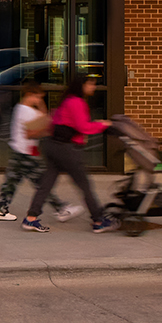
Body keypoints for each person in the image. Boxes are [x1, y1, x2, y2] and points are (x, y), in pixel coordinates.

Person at [23, 73, 116, 233]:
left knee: (46, 183)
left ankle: (31, 218)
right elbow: (83, 127)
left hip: (52, 146)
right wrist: (103, 125)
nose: (93, 87)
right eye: (90, 84)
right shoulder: (76, 102)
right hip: (65, 149)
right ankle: (98, 220)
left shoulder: (66, 100)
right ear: (82, 85)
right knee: (84, 185)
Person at [0, 83, 79, 223]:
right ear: (29, 95)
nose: (39, 100)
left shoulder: (20, 108)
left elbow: (42, 120)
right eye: (37, 97)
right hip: (26, 153)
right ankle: (60, 208)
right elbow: (40, 125)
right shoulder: (28, 111)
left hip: (18, 151)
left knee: (11, 182)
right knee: (42, 183)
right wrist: (43, 114)